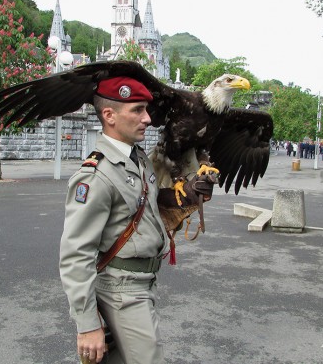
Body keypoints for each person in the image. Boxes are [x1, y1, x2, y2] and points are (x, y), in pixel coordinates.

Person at [59, 76, 213, 364]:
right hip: (122, 290)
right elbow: (75, 255)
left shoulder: (138, 159)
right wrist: (88, 325)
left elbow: (146, 204)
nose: (148, 119)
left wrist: (185, 196)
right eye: (138, 110)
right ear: (109, 115)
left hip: (143, 282)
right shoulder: (95, 176)